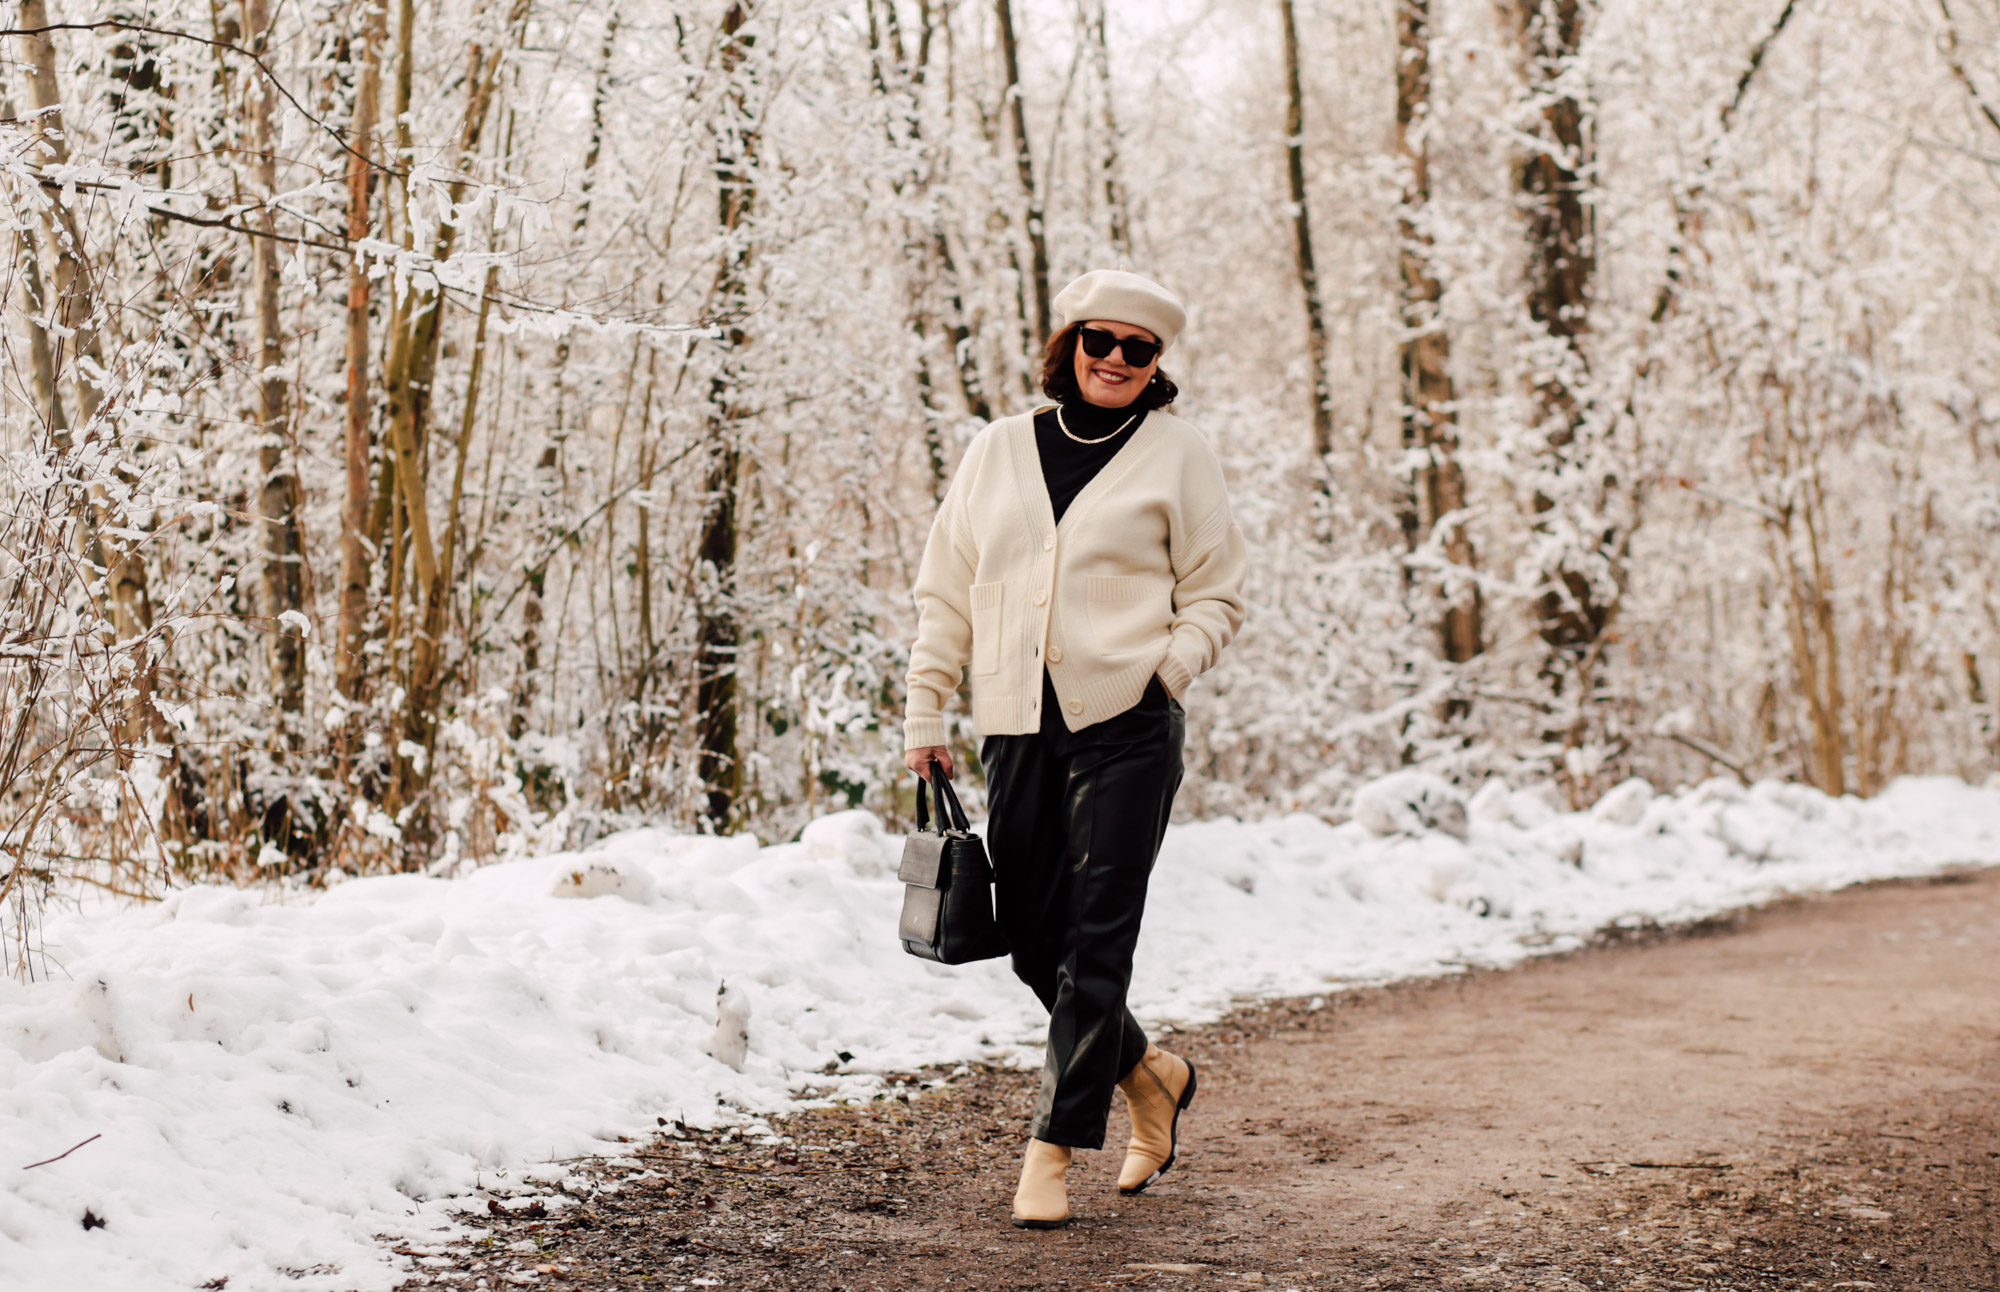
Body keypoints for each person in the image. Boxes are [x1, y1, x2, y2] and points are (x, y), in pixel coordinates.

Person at [901, 269, 1249, 1229]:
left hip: (1126, 724)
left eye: (1141, 350)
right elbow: (947, 590)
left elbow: (1218, 592)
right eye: (1103, 341)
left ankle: (1050, 1151)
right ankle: (1153, 1076)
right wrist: (924, 711)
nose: (1117, 360)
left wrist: (1166, 672)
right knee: (1033, 940)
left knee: (1098, 933)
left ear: (1157, 365)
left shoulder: (1180, 454)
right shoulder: (998, 449)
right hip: (1015, 719)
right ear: (1072, 343)